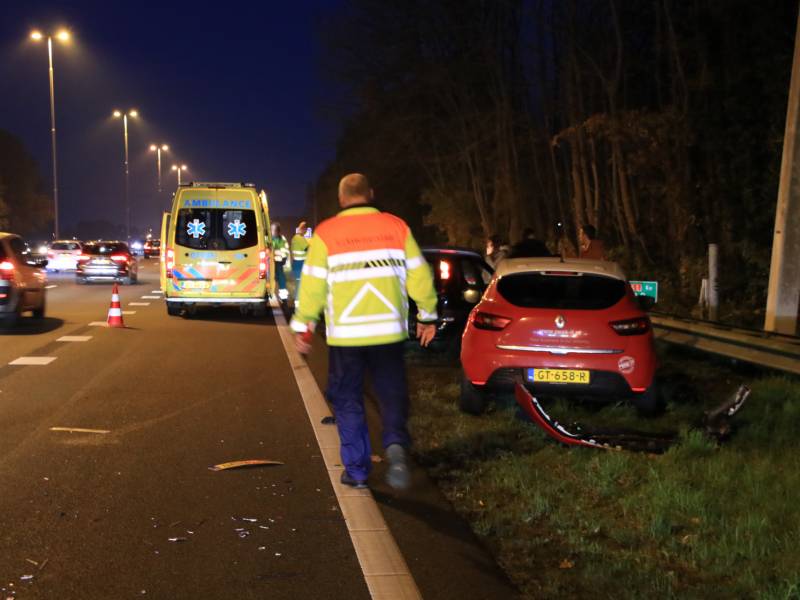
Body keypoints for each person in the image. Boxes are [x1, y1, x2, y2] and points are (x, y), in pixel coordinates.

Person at [291, 173, 438, 491]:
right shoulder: (396, 227)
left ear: (342, 199)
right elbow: (420, 275)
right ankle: (396, 444)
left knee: (348, 400)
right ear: (370, 194)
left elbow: (313, 286)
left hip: (347, 337)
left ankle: (357, 471)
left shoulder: (327, 233)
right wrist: (428, 316)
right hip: (388, 334)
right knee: (391, 393)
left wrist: (304, 327)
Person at [290, 221, 310, 299]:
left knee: (298, 283)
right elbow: (308, 249)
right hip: (300, 264)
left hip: (296, 263)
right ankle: (298, 301)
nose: (305, 232)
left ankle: (298, 300)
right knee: (300, 283)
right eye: (305, 230)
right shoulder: (300, 238)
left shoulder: (294, 238)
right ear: (303, 229)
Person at [271, 223, 290, 301]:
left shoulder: (282, 239)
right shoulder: (268, 238)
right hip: (270, 263)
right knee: (270, 279)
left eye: (274, 230)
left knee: (281, 279)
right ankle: (270, 295)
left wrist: (279, 255)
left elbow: (285, 250)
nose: (273, 231)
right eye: (272, 230)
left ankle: (283, 297)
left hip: (278, 263)